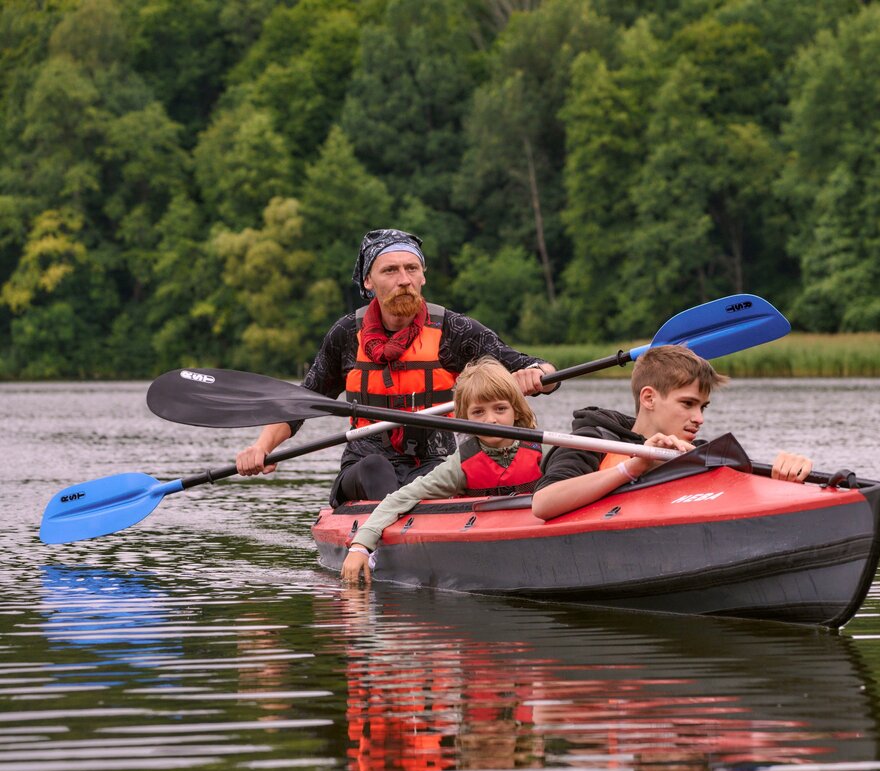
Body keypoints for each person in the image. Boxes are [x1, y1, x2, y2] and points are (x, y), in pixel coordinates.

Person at [235, 229, 555, 506]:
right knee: (376, 468)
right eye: (390, 271)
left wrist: (539, 374)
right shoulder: (346, 334)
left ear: (423, 275)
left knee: (439, 476)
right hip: (363, 470)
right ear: (368, 280)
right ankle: (376, 540)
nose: (404, 280)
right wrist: (261, 447)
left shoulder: (455, 331)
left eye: (411, 268)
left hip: (433, 466)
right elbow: (301, 402)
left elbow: (534, 368)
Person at [531, 344, 813, 520]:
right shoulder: (592, 438)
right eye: (688, 404)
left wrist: (784, 477)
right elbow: (543, 504)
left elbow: (747, 493)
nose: (699, 418)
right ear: (649, 398)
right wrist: (635, 467)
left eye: (703, 407)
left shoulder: (700, 451)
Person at [341, 357, 542, 584]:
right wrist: (360, 545)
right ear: (464, 419)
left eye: (500, 409)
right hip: (484, 547)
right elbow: (404, 496)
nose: (491, 420)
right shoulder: (459, 465)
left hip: (531, 534)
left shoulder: (540, 453)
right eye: (478, 412)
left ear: (515, 410)